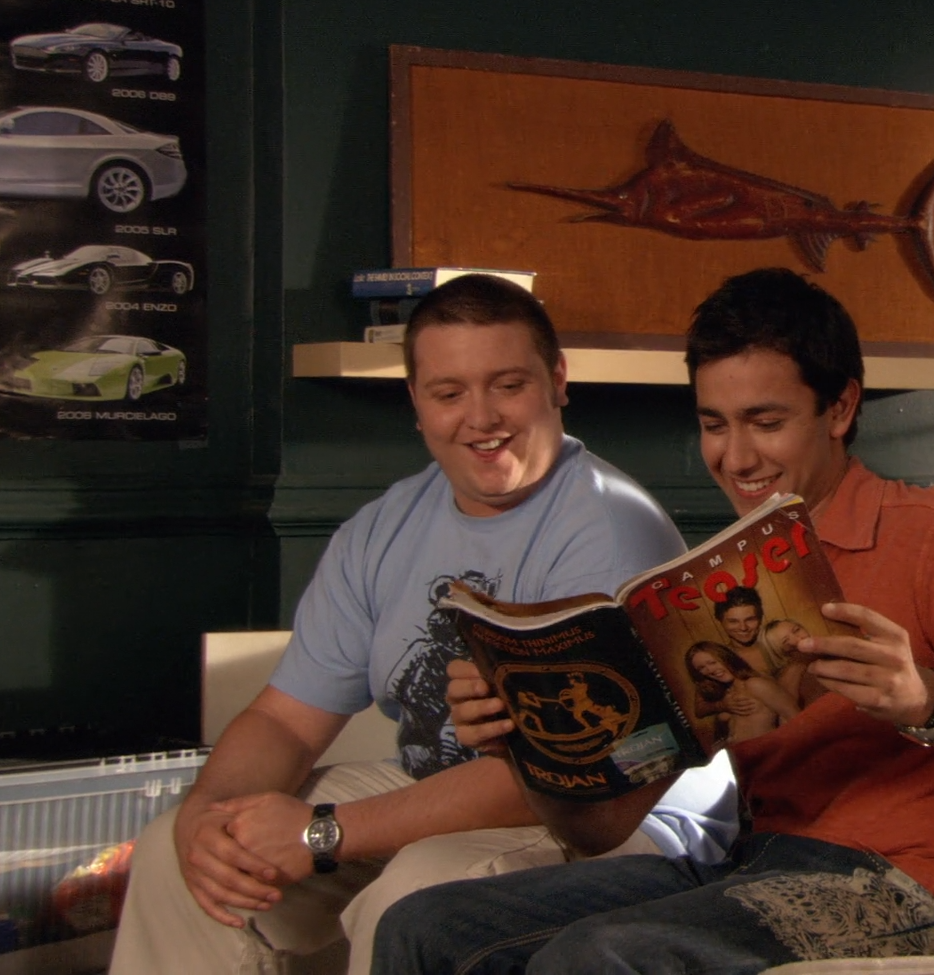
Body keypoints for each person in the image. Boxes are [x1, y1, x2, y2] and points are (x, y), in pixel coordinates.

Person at [374, 267, 934, 973]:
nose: (736, 457)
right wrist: (524, 744)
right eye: (714, 425)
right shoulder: (710, 585)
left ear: (840, 409)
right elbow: (598, 832)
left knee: (600, 957)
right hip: (757, 862)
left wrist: (929, 701)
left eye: (766, 422)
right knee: (425, 925)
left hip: (927, 882)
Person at [110, 276, 737, 975]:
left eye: (508, 386)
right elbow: (285, 721)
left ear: (557, 382)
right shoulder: (383, 527)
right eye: (449, 393)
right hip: (439, 791)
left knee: (416, 893)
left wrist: (321, 833)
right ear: (416, 401)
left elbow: (560, 780)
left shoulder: (612, 532)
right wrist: (207, 811)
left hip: (617, 823)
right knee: (186, 850)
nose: (481, 418)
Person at [685, 640, 799, 745]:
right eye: (701, 668)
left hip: (764, 751)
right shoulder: (724, 691)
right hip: (739, 754)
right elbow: (699, 710)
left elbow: (793, 715)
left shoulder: (754, 684)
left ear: (726, 658)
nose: (710, 670)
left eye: (712, 662)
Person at [713, 585, 772, 674]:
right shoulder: (719, 660)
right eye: (733, 621)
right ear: (721, 622)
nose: (743, 628)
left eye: (750, 619)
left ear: (760, 619)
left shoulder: (778, 647)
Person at [759, 618, 816, 701]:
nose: (799, 638)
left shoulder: (824, 650)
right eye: (785, 641)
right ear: (778, 651)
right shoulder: (792, 672)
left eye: (796, 630)